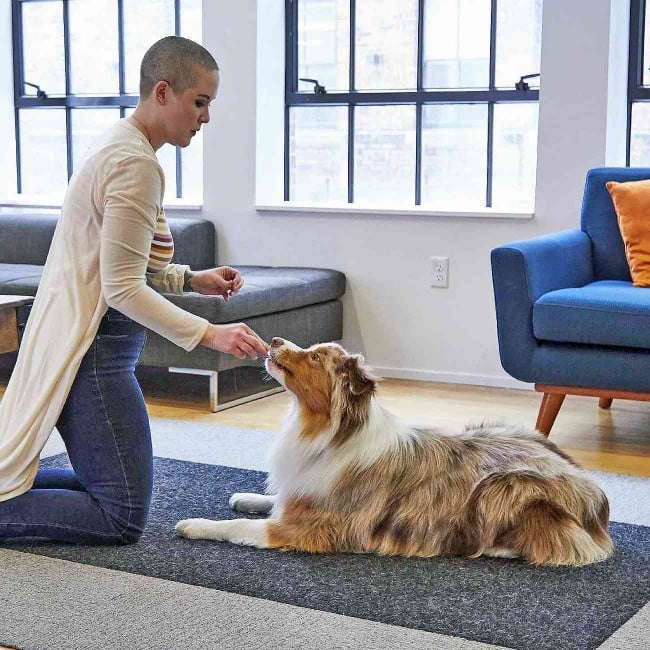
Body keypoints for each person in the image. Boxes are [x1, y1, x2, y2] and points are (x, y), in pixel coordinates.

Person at [0, 36, 269, 544]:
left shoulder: (123, 144)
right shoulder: (136, 164)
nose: (206, 117)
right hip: (96, 355)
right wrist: (213, 335)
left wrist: (190, 279)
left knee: (101, 489)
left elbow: (121, 262)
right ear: (163, 92)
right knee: (119, 516)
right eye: (200, 102)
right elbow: (122, 288)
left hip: (95, 348)